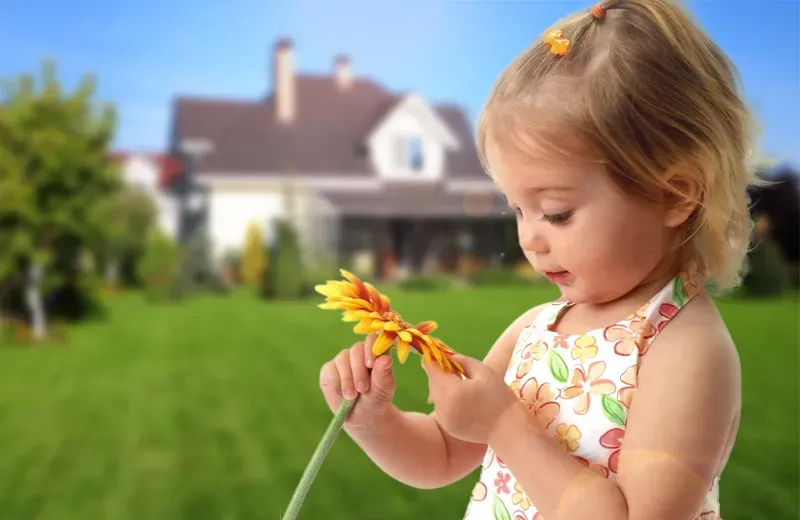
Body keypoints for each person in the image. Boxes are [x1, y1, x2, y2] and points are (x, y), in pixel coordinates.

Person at [319, 0, 755, 518]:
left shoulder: (684, 350)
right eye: (517, 209)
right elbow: (442, 453)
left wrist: (504, 423)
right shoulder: (536, 330)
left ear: (673, 194)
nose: (529, 238)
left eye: (557, 212)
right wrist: (374, 421)